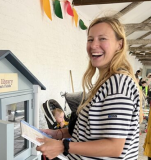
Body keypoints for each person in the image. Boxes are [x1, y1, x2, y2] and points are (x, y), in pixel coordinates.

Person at [36, 16, 142, 160]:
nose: (93, 45)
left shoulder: (118, 84)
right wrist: (58, 134)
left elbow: (114, 147)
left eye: (102, 39)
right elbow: (90, 132)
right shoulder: (106, 82)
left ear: (119, 44)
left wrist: (63, 146)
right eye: (90, 39)